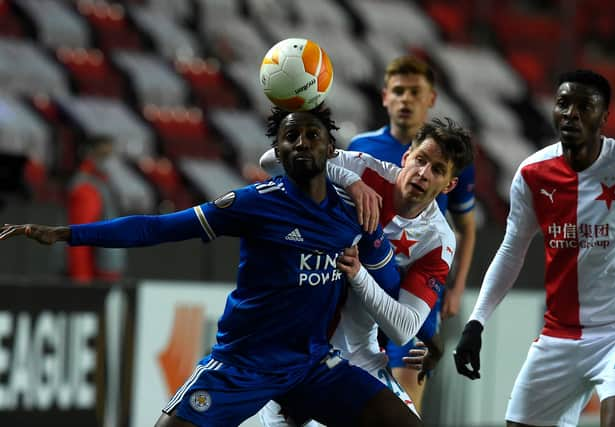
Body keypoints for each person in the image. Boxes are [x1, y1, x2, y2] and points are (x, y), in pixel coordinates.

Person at [0, 107, 423, 427]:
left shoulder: (353, 210)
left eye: (312, 135)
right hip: (242, 364)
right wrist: (67, 234)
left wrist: (416, 328)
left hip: (311, 365)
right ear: (277, 150)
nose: (302, 143)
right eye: (290, 136)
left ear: (331, 149)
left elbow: (387, 278)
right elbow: (156, 228)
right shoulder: (254, 203)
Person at [259, 117, 475, 426]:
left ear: (450, 185)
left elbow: (404, 328)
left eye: (438, 170)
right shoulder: (363, 169)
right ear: (406, 157)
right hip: (296, 346)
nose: (423, 174)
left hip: (359, 355)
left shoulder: (438, 240)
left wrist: (359, 276)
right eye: (420, 160)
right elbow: (269, 161)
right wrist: (347, 179)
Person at [453, 69, 615, 427]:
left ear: (604, 117)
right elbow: (511, 251)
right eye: (563, 103)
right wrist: (476, 323)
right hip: (558, 336)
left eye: (584, 106)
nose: (571, 113)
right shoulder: (532, 173)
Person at [349, 55, 477, 410]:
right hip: (362, 289)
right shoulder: (361, 148)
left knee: (403, 406)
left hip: (417, 293)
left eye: (415, 92)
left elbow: (466, 226)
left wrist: (456, 286)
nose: (406, 99)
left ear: (431, 99)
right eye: (399, 91)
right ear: (384, 97)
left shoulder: (454, 157)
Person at [67, 134, 125, 283]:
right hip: (94, 276)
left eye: (111, 154)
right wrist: (82, 283)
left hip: (105, 272)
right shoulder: (86, 187)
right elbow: (79, 239)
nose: (109, 160)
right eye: (104, 154)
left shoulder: (104, 182)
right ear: (89, 154)